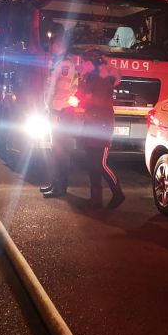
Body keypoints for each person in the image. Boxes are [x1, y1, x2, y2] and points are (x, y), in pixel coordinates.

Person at [76, 48, 125, 209]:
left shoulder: (101, 78)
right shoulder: (90, 77)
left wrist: (82, 100)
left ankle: (118, 194)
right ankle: (95, 199)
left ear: (92, 62)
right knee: (92, 164)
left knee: (100, 164)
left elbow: (94, 100)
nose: (82, 64)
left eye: (84, 61)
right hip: (92, 124)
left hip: (101, 126)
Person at [41, 24, 79, 198]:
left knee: (61, 151)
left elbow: (62, 91)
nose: (51, 47)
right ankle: (55, 183)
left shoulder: (65, 65)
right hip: (57, 111)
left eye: (53, 43)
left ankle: (60, 187)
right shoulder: (59, 62)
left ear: (59, 45)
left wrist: (52, 109)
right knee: (55, 150)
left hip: (61, 112)